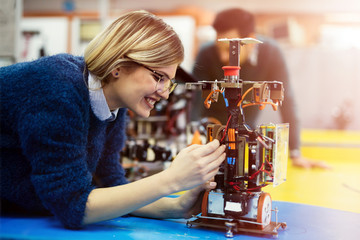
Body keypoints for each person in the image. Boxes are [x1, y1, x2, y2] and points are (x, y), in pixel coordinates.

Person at [0, 10, 226, 229]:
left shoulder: (112, 106)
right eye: (158, 77)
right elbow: (73, 205)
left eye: (169, 82)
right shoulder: (57, 89)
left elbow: (110, 183)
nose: (165, 93)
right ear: (119, 67)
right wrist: (172, 179)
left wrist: (177, 205)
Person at [192, 8, 328, 169]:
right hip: (210, 135)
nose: (222, 57)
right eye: (219, 47)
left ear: (250, 40)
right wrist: (192, 137)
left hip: (245, 133)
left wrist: (295, 152)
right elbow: (194, 98)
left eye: (228, 49)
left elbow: (286, 100)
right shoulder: (206, 53)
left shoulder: (271, 53)